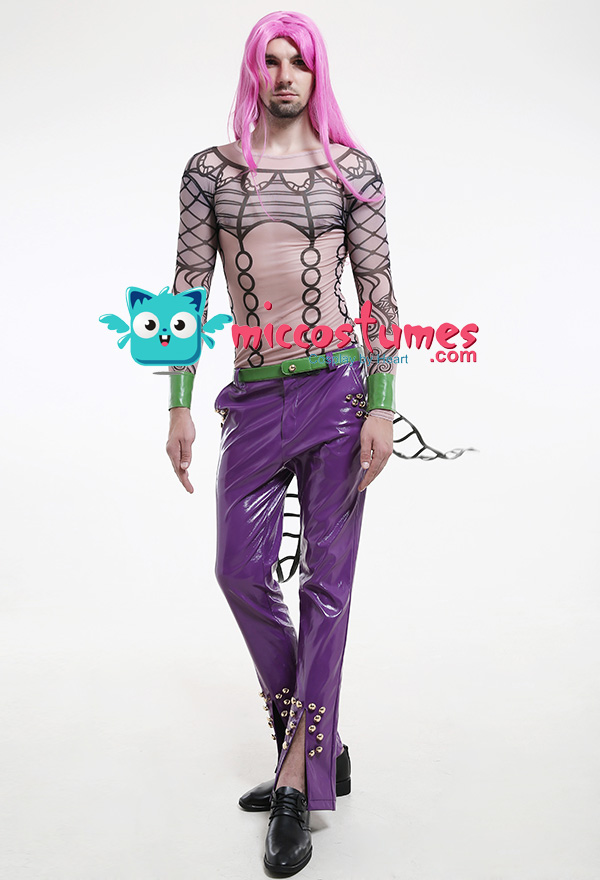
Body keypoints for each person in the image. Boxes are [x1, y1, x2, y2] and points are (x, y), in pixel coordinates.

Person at [165, 11, 398, 875]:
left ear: (317, 72)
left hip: (338, 393)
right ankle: (317, 739)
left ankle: (298, 778)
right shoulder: (210, 173)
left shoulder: (352, 172)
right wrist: (178, 405)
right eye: (273, 60)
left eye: (301, 61)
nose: (287, 74)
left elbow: (379, 293)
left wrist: (382, 405)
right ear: (254, 73)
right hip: (254, 399)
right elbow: (186, 291)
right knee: (240, 571)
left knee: (326, 588)